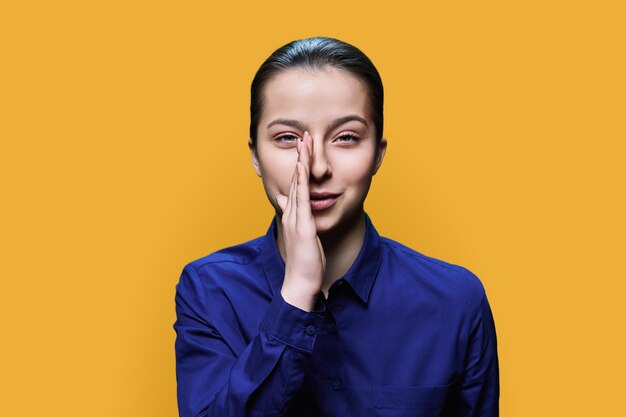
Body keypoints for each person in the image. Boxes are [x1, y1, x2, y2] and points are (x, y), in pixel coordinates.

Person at [174, 36, 499, 417]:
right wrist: (295, 295)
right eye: (287, 138)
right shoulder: (210, 291)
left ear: (377, 153)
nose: (316, 167)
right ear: (256, 156)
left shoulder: (455, 301)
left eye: (346, 138)